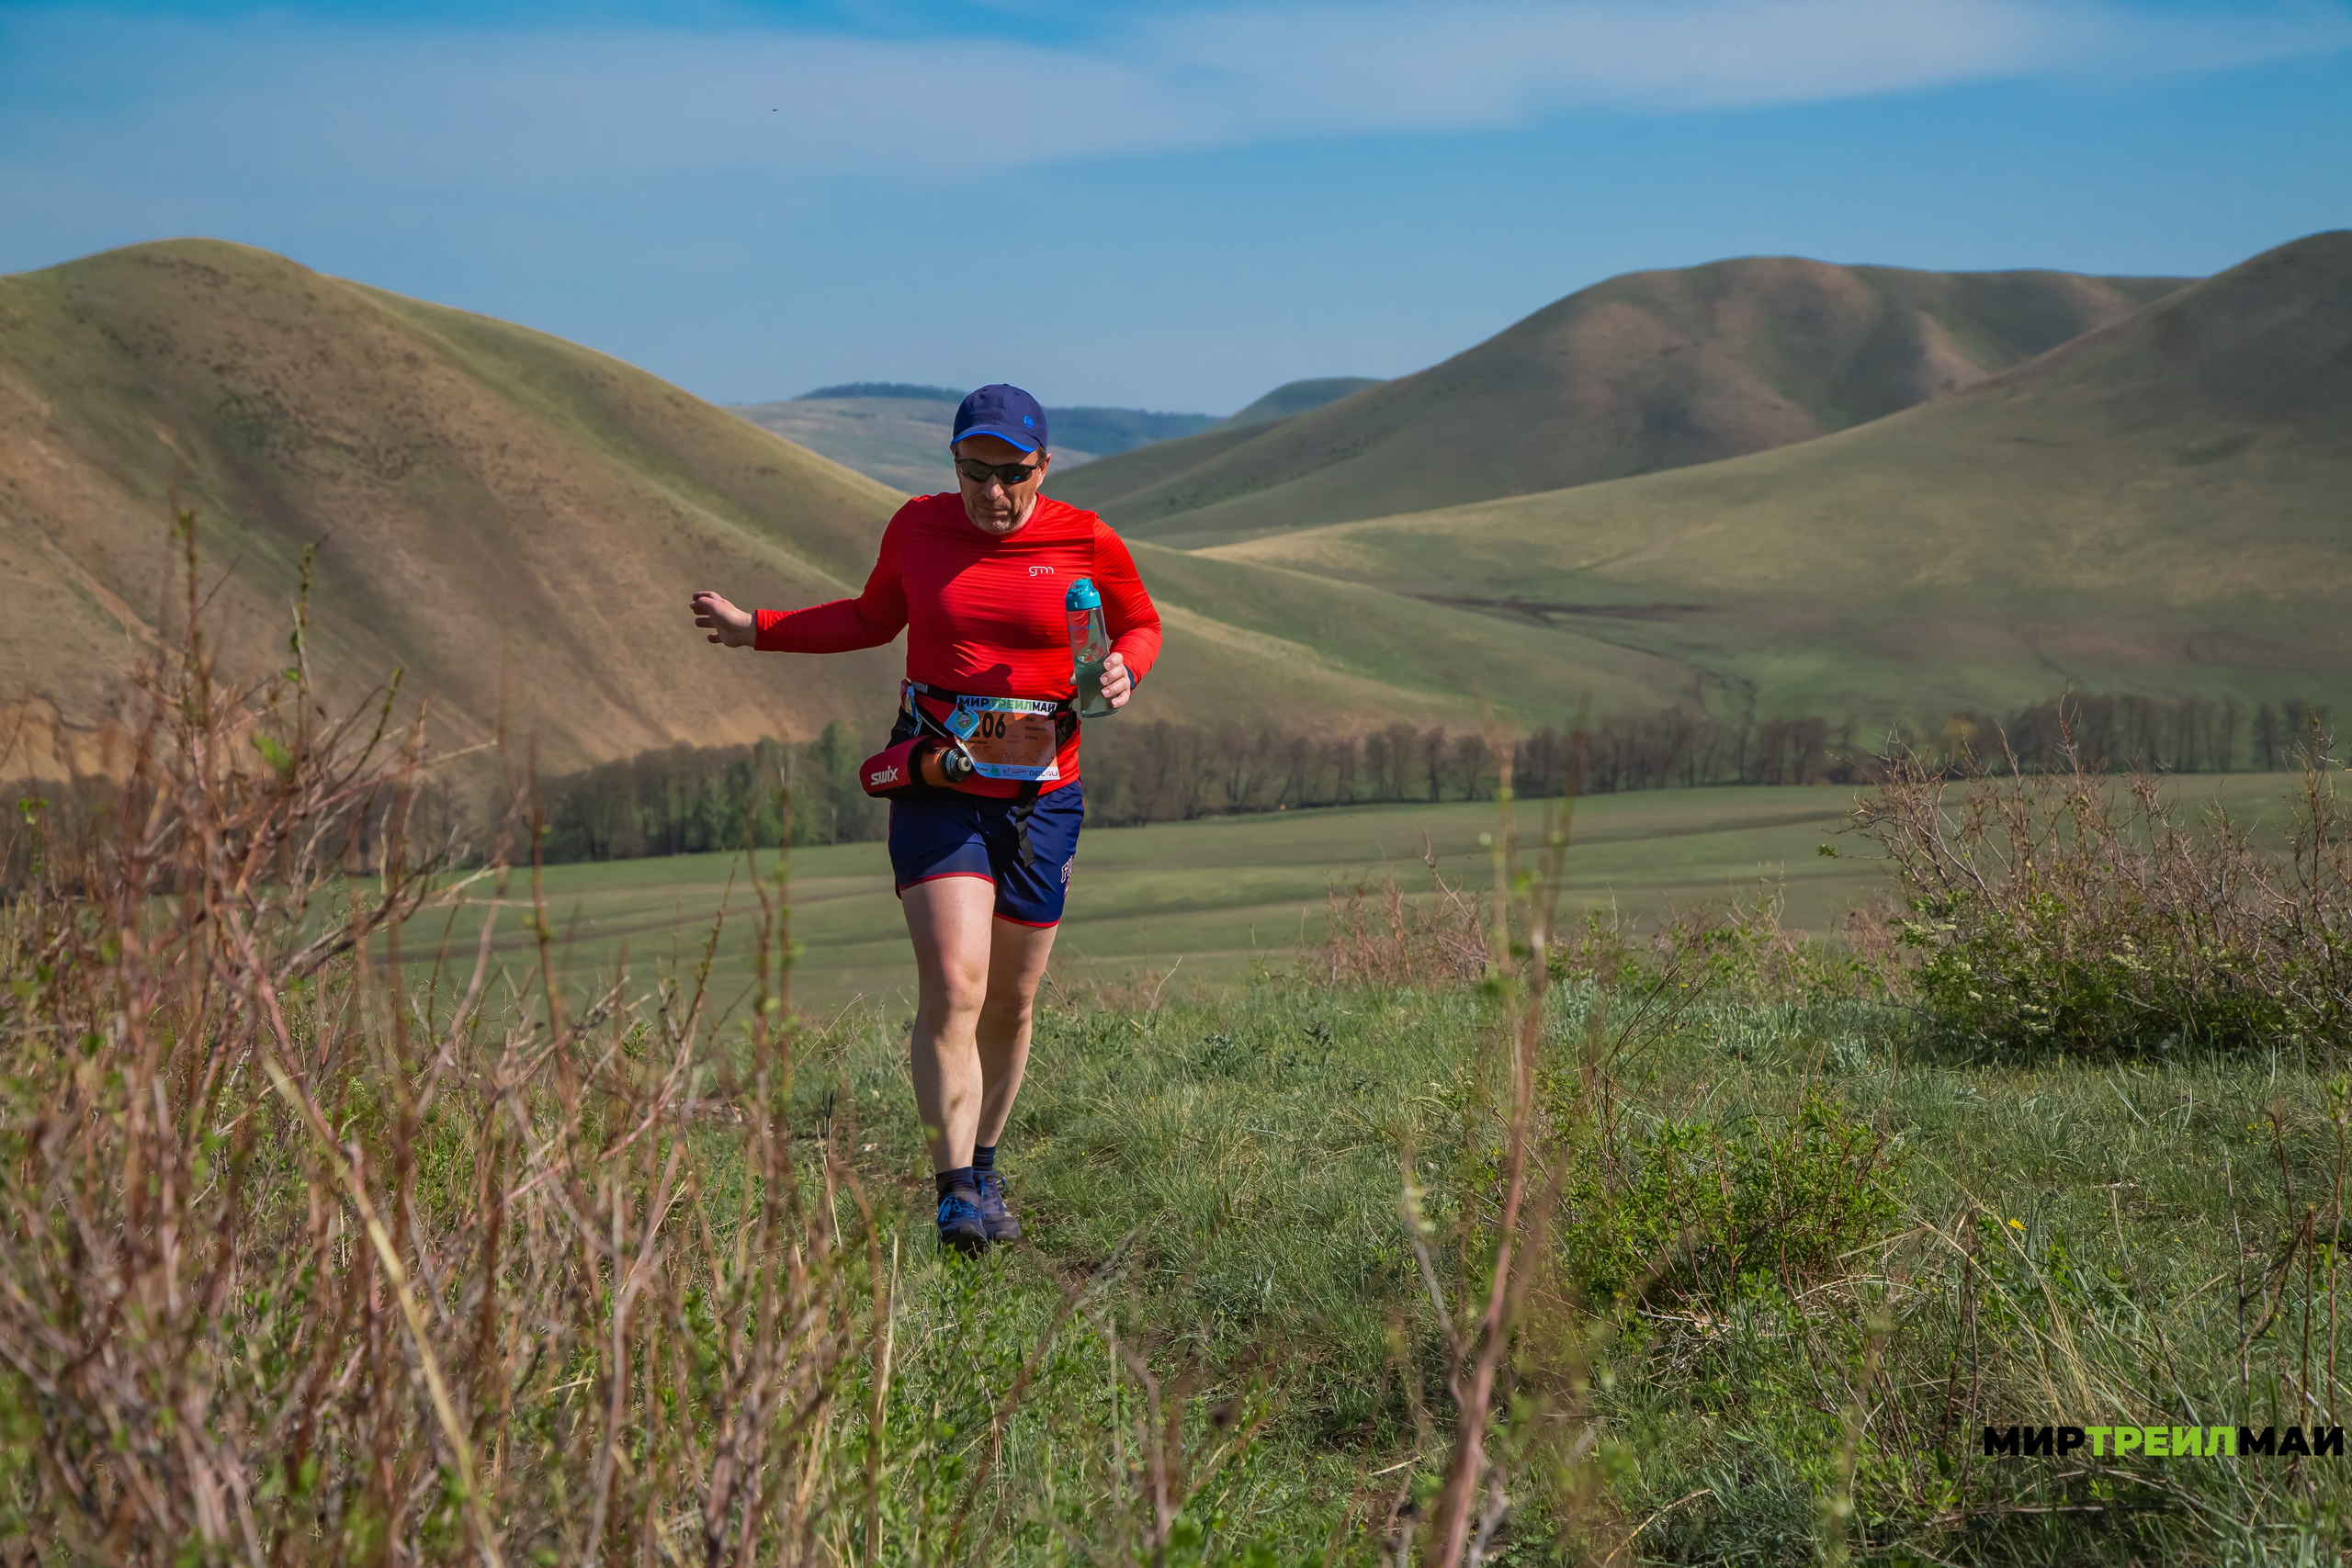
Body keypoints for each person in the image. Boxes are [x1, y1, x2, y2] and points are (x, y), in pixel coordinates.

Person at [690, 384, 1162, 1254]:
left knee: (1012, 1005)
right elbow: (873, 618)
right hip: (938, 776)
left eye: (1012, 475)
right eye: (975, 472)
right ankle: (953, 1198)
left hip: (1044, 793)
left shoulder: (1085, 537)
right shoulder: (915, 528)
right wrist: (757, 627)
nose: (993, 493)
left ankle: (984, 1162)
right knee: (955, 983)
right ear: (953, 466)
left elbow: (1140, 622)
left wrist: (1127, 667)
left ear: (1042, 467)